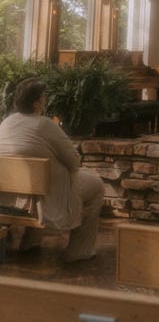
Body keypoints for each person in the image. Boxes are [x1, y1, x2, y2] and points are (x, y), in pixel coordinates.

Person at [0, 77, 105, 261]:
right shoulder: (44, 124)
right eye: (44, 97)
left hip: (9, 199)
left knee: (42, 180)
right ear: (36, 103)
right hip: (42, 199)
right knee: (96, 185)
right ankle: (79, 251)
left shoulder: (6, 123)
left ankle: (30, 241)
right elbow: (74, 162)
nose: (46, 99)